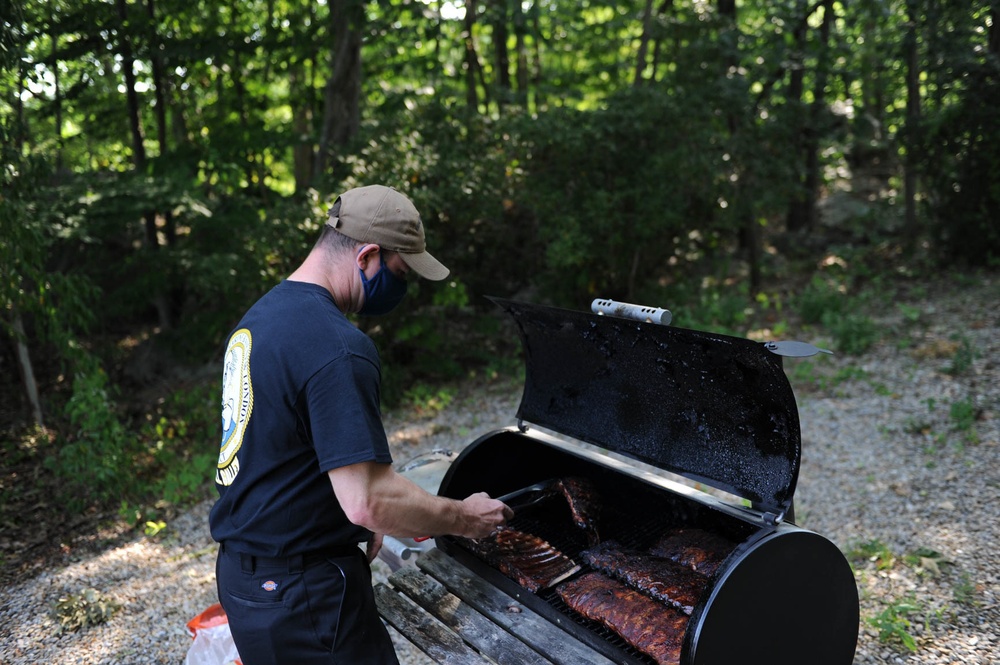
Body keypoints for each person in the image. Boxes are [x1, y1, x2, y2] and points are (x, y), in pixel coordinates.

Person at [209, 184, 514, 665]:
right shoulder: (337, 347)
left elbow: (276, 449)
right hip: (304, 598)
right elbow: (368, 500)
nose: (402, 289)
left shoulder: (259, 319)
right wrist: (465, 518)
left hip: (246, 581)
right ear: (367, 255)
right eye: (400, 273)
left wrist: (339, 514)